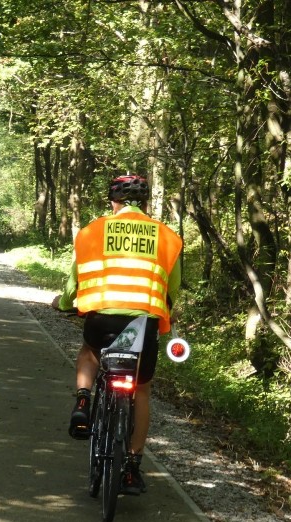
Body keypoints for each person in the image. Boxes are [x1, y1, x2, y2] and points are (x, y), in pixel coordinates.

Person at [53, 174, 183, 495]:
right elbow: (173, 288)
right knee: (140, 390)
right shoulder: (167, 237)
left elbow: (76, 281)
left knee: (90, 351)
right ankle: (130, 468)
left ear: (113, 201)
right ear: (146, 203)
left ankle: (83, 402)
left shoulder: (92, 232)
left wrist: (66, 302)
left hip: (102, 318)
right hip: (143, 324)